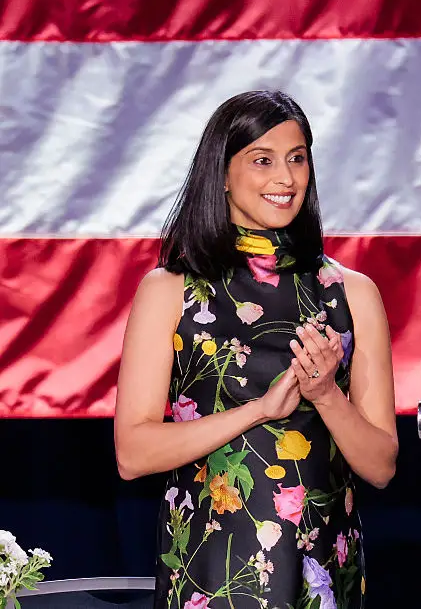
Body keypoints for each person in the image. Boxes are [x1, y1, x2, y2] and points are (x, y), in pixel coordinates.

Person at [114, 91, 398, 609]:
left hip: (322, 573)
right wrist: (259, 411)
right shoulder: (170, 290)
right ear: (221, 172)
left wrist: (327, 395)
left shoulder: (351, 292)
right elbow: (132, 455)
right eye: (262, 160)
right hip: (209, 573)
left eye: (297, 158)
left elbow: (381, 466)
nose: (285, 179)